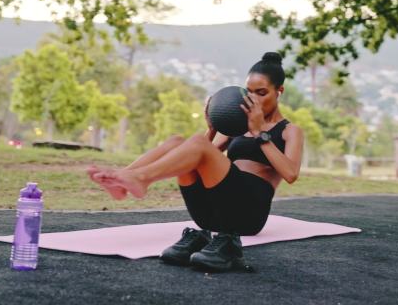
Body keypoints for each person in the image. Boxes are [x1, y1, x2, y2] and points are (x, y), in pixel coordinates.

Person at [86, 52, 304, 271]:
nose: (253, 99)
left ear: (279, 91)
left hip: (247, 215)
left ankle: (140, 179)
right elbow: (198, 155)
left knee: (196, 143)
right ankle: (123, 179)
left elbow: (291, 174)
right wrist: (212, 129)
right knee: (177, 141)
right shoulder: (237, 125)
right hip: (212, 213)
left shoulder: (289, 131)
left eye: (262, 93)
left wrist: (259, 134)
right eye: (249, 92)